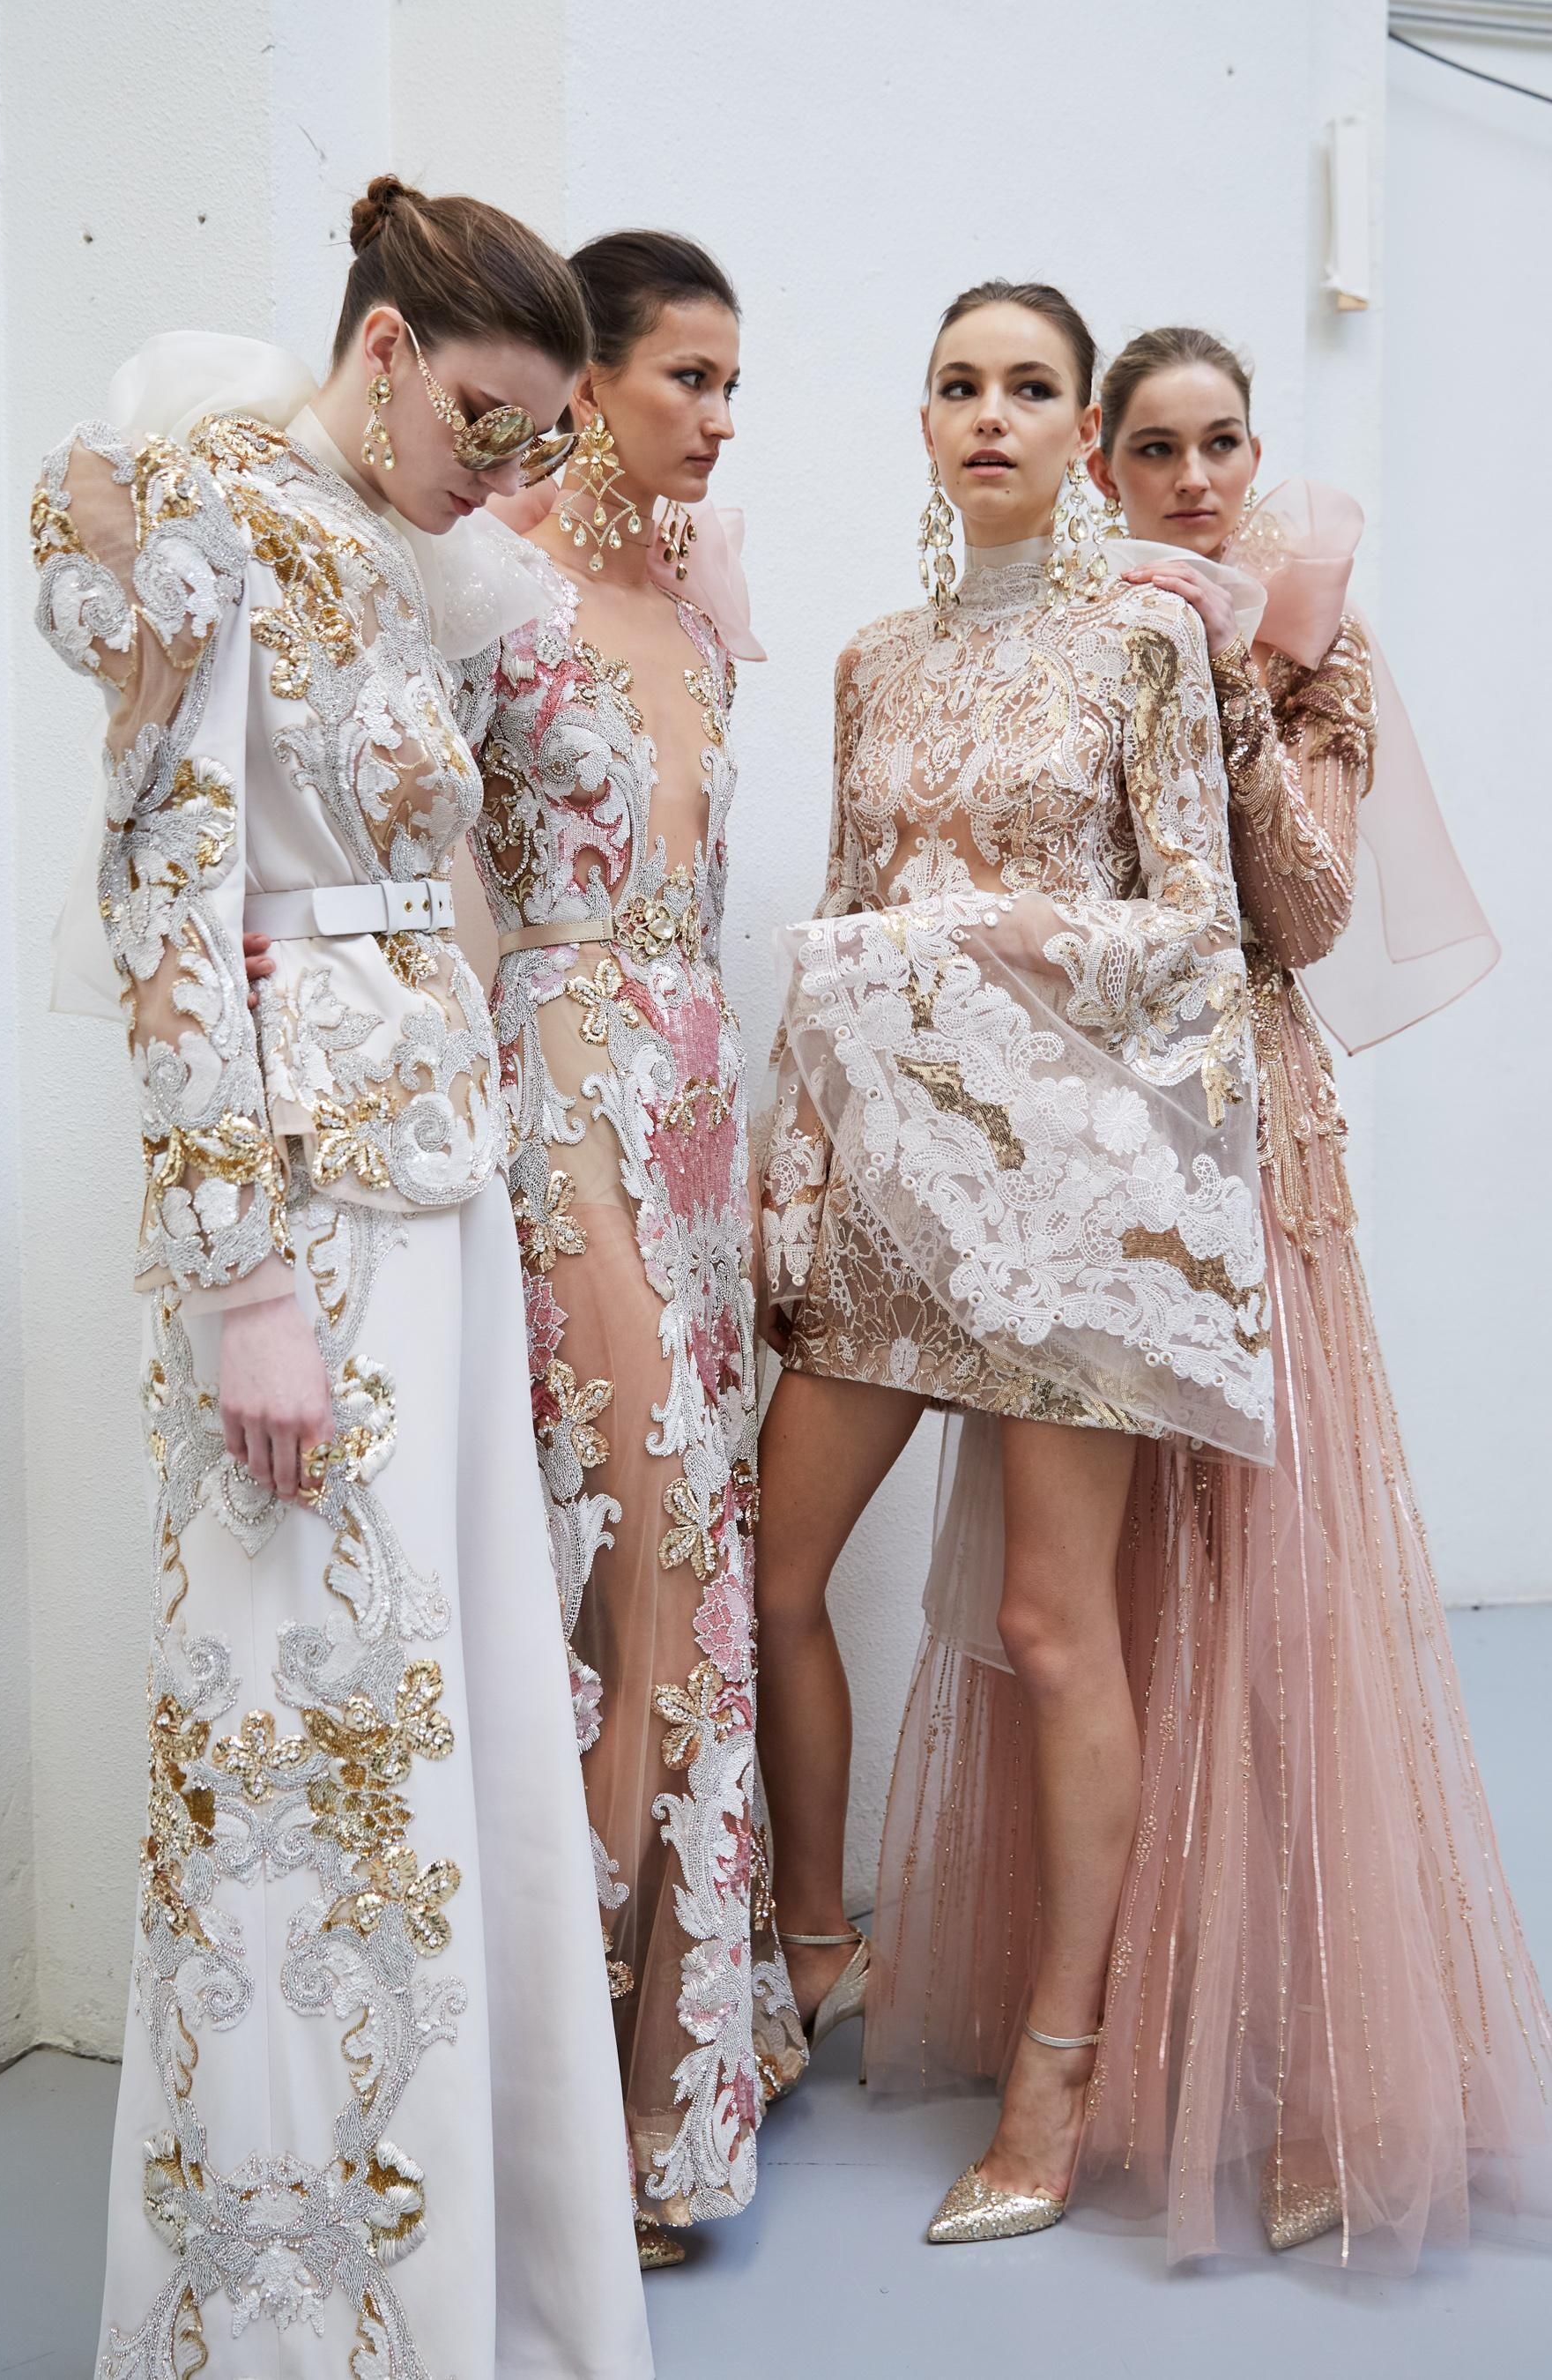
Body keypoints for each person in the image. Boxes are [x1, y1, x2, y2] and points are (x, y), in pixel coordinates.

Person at [33, 175, 651, 2375]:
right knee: (300, 1739)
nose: (500, 468)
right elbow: (165, 908)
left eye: (535, 436)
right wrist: (244, 1289)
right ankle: (299, 2320)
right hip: (297, 1229)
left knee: (443, 1726)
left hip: (436, 1196)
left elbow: (555, 843)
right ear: (383, 345)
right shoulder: (203, 514)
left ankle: (481, 2293)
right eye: (482, 417)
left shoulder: (400, 557)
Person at [872, 324, 1552, 2268]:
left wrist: (1240, 681)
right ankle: (1116, 2020)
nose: (1190, 480)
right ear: (1104, 469)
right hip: (1093, 1142)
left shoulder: (1310, 647)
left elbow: (1307, 915)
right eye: (1155, 450)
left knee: (1267, 1585)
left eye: (1221, 445)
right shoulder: (1088, 635)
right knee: (1095, 1597)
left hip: (1247, 1136)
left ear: (1256, 458)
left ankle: (1317, 2054)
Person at [756, 280, 1272, 2246]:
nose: (992, 414)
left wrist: (982, 940)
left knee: (1058, 1629)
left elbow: (1200, 935)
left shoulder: (1139, 644)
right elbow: (836, 919)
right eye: (959, 386)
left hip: (1065, 1195)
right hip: (893, 1191)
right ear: (924, 428)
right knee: (768, 1573)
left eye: (1030, 388)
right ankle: (820, 1945)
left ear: (1080, 437)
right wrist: (800, 1165)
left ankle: (1057, 2063)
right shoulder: (871, 663)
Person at [467, 230, 806, 2268]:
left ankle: (694, 2041)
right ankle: (581, 2094)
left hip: (690, 1097)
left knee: (693, 1562)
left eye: (734, 382)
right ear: (585, 384)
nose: (721, 417)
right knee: (639, 1562)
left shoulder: (694, 601)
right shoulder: (487, 590)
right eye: (691, 376)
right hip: (558, 1093)